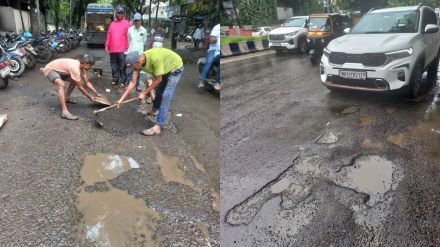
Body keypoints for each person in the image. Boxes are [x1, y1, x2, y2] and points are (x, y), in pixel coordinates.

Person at [116, 48, 184, 136]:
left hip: (175, 67)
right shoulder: (138, 61)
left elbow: (158, 80)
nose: (134, 69)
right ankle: (154, 110)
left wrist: (144, 92)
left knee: (165, 96)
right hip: (164, 66)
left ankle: (158, 127)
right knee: (159, 90)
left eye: (134, 68)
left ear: (138, 63)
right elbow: (133, 82)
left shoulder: (155, 59)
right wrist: (121, 99)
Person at [42, 54, 103, 120]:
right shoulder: (75, 68)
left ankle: (66, 98)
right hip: (50, 70)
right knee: (61, 84)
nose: (90, 67)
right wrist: (90, 97)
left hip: (61, 72)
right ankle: (64, 112)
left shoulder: (82, 68)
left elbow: (87, 82)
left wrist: (96, 93)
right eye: (90, 65)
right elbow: (80, 88)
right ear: (86, 64)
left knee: (74, 81)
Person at [105, 6, 131, 88]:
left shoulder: (127, 24)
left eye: (121, 13)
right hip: (112, 48)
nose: (120, 14)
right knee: (113, 65)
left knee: (122, 65)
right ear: (116, 13)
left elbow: (129, 37)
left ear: (123, 14)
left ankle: (123, 81)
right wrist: (106, 45)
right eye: (118, 12)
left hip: (122, 48)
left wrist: (128, 47)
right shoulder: (112, 24)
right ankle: (115, 79)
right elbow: (109, 35)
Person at [127, 13, 148, 91]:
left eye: (138, 20)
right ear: (133, 21)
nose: (136, 22)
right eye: (135, 21)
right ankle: (129, 84)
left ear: (140, 21)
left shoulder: (144, 30)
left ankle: (137, 85)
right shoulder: (129, 30)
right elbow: (128, 40)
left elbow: (144, 42)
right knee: (129, 69)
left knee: (138, 69)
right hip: (131, 52)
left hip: (139, 53)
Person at [198, 23, 220, 90]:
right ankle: (201, 81)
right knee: (208, 63)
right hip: (213, 50)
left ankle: (216, 81)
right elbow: (212, 39)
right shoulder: (217, 27)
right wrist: (214, 39)